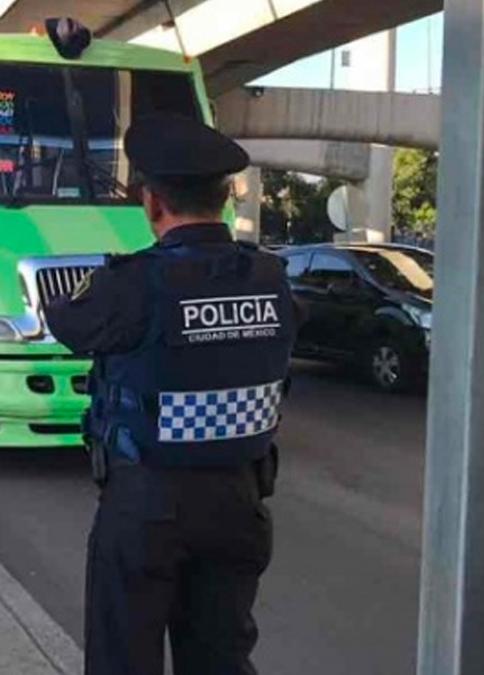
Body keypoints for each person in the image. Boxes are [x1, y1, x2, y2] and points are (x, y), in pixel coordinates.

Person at [43, 112, 297, 675]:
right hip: (240, 502)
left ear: (152, 203)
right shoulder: (272, 278)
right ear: (227, 195)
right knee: (221, 660)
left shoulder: (134, 282)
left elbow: (66, 323)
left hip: (147, 509)